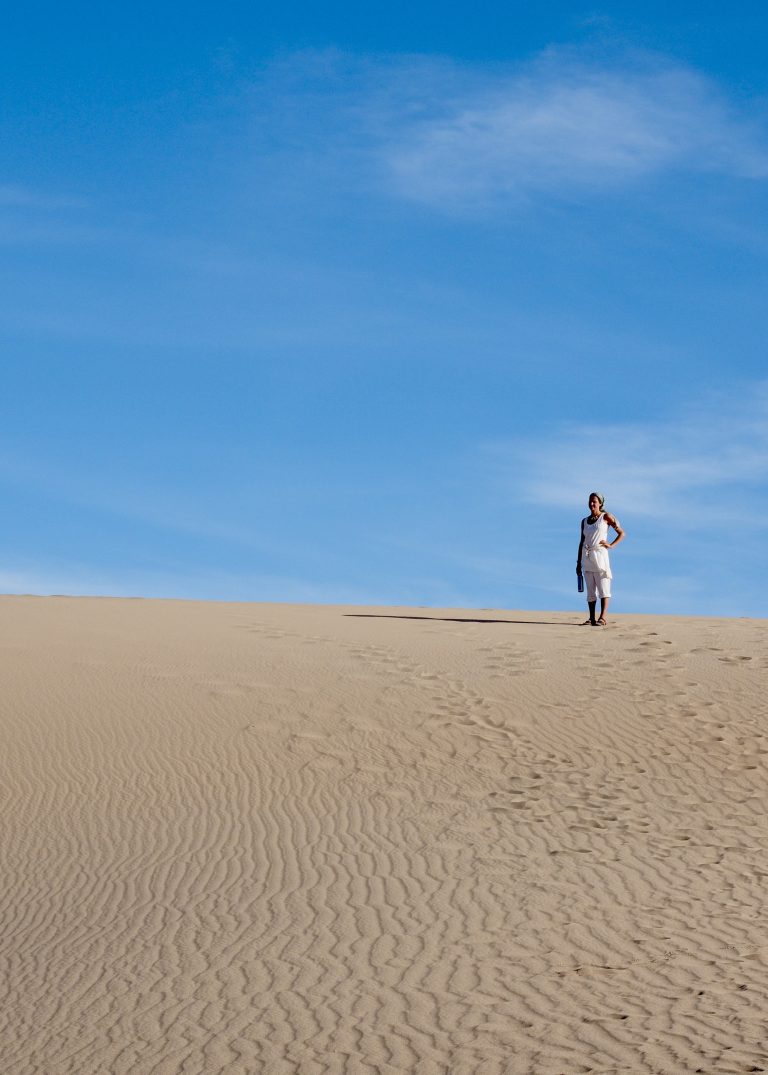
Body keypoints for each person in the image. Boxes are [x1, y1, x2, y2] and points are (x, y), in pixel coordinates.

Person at [576, 492, 625, 626]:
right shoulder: (584, 521)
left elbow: (622, 533)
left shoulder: (606, 517)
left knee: (603, 587)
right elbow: (581, 541)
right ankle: (591, 618)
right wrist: (578, 562)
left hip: (600, 556)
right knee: (590, 589)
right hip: (586, 557)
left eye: (594, 502)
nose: (592, 504)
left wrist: (611, 545)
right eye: (590, 501)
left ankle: (602, 618)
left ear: (600, 503)